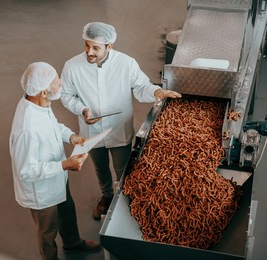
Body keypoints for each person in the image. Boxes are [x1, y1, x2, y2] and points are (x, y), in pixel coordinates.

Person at [60, 22, 182, 220]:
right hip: (92, 132)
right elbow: (66, 95)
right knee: (100, 168)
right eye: (86, 45)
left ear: (109, 46)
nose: (89, 52)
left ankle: (124, 198)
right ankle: (107, 197)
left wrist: (157, 91)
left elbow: (142, 86)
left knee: (122, 169)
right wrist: (82, 109)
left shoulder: (126, 63)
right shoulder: (72, 66)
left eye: (96, 48)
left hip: (119, 130)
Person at [9, 62, 101, 260]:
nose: (60, 84)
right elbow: (26, 170)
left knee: (67, 212)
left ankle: (72, 244)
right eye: (56, 82)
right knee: (47, 231)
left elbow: (53, 126)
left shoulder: (38, 104)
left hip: (56, 178)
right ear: (44, 91)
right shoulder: (27, 130)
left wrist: (71, 137)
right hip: (41, 192)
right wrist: (64, 165)